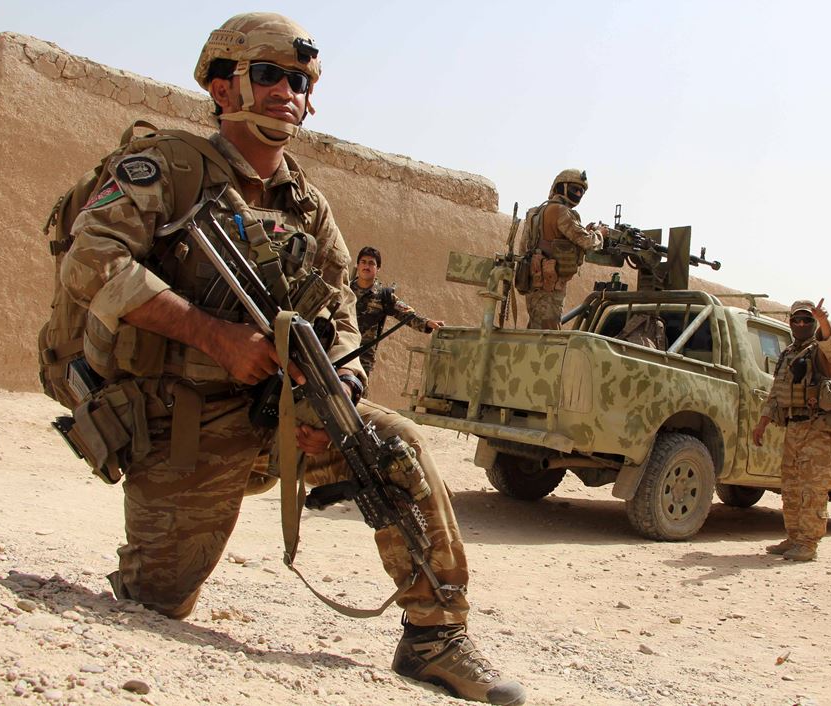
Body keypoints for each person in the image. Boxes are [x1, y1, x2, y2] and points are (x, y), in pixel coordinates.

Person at [58, 13, 524, 704]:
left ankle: (436, 636)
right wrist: (215, 337)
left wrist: (341, 382)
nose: (288, 90)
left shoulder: (306, 203)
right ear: (222, 85)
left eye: (300, 80)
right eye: (270, 74)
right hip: (185, 427)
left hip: (282, 418)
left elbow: (337, 308)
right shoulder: (169, 170)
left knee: (389, 445)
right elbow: (91, 261)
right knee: (153, 602)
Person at [752, 299, 831, 562]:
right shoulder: (789, 353)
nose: (801, 324)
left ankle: (808, 543)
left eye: (807, 320)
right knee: (791, 486)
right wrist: (763, 422)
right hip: (793, 428)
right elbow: (776, 392)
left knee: (812, 488)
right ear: (791, 322)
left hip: (816, 430)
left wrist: (824, 321)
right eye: (797, 320)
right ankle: (794, 538)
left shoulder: (819, 351)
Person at [518, 169, 607, 329]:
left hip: (534, 284)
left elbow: (525, 248)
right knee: (549, 337)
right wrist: (600, 233)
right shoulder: (561, 212)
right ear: (560, 187)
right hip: (549, 288)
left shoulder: (535, 213)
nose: (578, 194)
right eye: (574, 189)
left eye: (581, 191)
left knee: (536, 329)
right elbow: (589, 242)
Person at [350, 245, 443, 383]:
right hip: (339, 349)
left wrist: (426, 322)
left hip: (363, 358)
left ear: (378, 269)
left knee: (355, 395)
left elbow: (406, 313)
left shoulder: (383, 295)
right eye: (363, 262)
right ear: (357, 265)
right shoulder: (345, 289)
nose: (366, 266)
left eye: (371, 263)